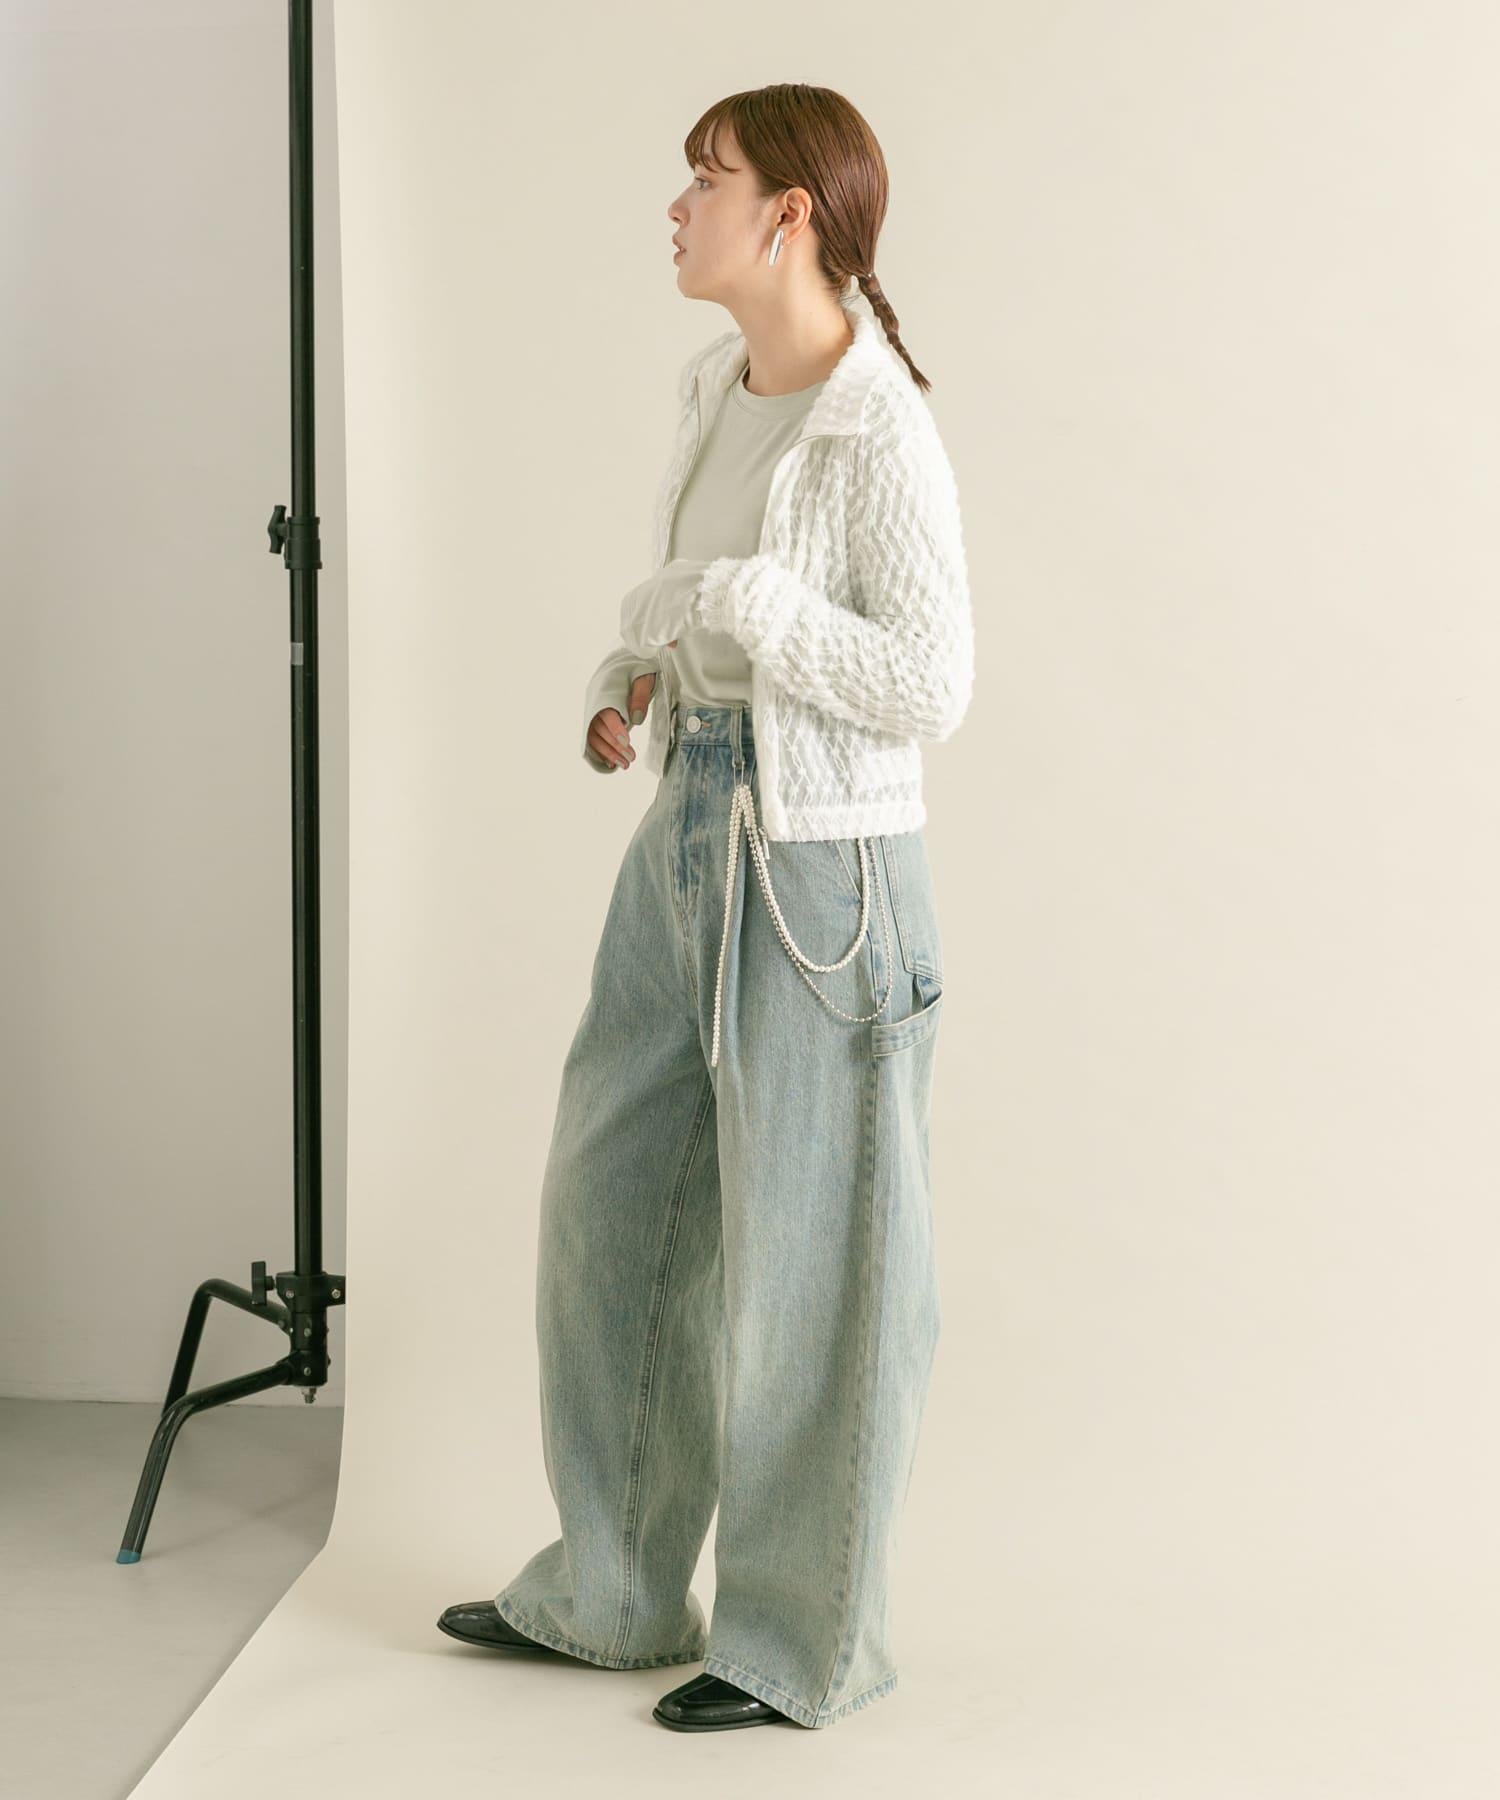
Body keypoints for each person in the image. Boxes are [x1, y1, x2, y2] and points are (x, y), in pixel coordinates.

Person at [437, 83, 974, 1734]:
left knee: (818, 1266)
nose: (678, 206)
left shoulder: (876, 426)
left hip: (825, 873)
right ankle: (611, 1593)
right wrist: (639, 677)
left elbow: (931, 682)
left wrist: (748, 603)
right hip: (689, 828)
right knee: (615, 1207)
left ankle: (800, 1643)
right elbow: (700, 615)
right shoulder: (714, 388)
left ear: (790, 213)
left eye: (707, 179)